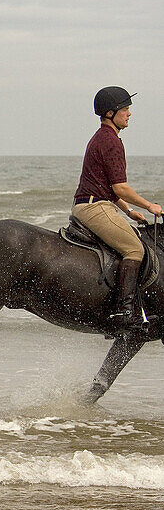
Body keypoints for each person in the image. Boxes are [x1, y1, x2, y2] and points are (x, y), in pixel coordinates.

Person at [72, 86, 162, 331]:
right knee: (135, 249)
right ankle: (125, 311)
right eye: (125, 109)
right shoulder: (111, 142)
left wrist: (129, 212)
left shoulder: (102, 137)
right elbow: (120, 188)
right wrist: (149, 205)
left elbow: (108, 187)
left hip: (94, 203)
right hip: (94, 207)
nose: (129, 114)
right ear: (110, 113)